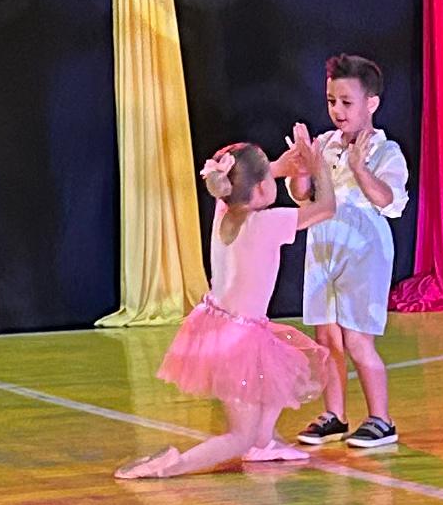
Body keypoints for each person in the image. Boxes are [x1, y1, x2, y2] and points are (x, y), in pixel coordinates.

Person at [120, 144, 337, 484]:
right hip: (240, 338)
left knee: (284, 363)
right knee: (240, 436)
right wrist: (318, 165)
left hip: (216, 326)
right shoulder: (267, 223)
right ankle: (171, 466)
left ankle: (264, 443)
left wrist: (278, 168)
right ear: (262, 187)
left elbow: (240, 184)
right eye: (270, 178)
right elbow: (326, 209)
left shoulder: (223, 210)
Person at [287, 54, 409, 453]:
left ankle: (381, 420)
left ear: (371, 103)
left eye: (346, 102)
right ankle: (334, 414)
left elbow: (389, 200)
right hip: (324, 245)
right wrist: (303, 166)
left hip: (364, 251)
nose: (337, 110)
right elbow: (303, 195)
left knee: (357, 339)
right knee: (326, 337)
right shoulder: (325, 144)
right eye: (331, 101)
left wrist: (360, 168)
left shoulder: (386, 151)